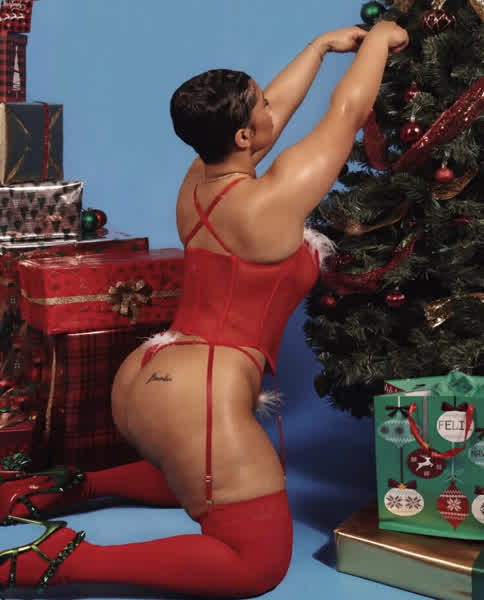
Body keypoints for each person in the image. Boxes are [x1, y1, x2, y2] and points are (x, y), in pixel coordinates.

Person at [0, 19, 408, 598]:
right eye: (261, 105)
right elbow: (346, 113)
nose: (272, 109)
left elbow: (265, 121)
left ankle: (60, 487)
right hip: (199, 399)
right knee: (256, 564)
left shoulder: (196, 182)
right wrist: (380, 40)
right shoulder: (271, 200)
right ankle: (59, 560)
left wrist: (318, 48)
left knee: (197, 476)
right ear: (242, 135)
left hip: (147, 384)